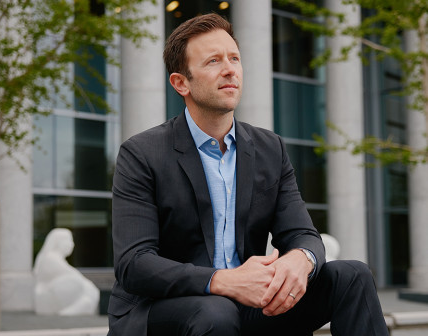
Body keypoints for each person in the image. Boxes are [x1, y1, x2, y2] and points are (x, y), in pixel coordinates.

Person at [108, 13, 389, 336]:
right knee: (216, 311)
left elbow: (303, 233)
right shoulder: (142, 153)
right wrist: (223, 280)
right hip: (163, 309)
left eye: (234, 59)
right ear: (180, 82)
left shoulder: (270, 149)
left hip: (250, 304)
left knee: (352, 275)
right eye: (214, 61)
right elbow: (134, 264)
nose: (230, 69)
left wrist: (301, 259)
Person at [33, 228, 100, 315]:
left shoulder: (56, 259)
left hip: (52, 295)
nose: (72, 245)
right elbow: (75, 276)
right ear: (58, 242)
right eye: (68, 241)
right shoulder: (51, 259)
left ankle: (82, 304)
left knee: (88, 290)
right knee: (79, 284)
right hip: (48, 296)